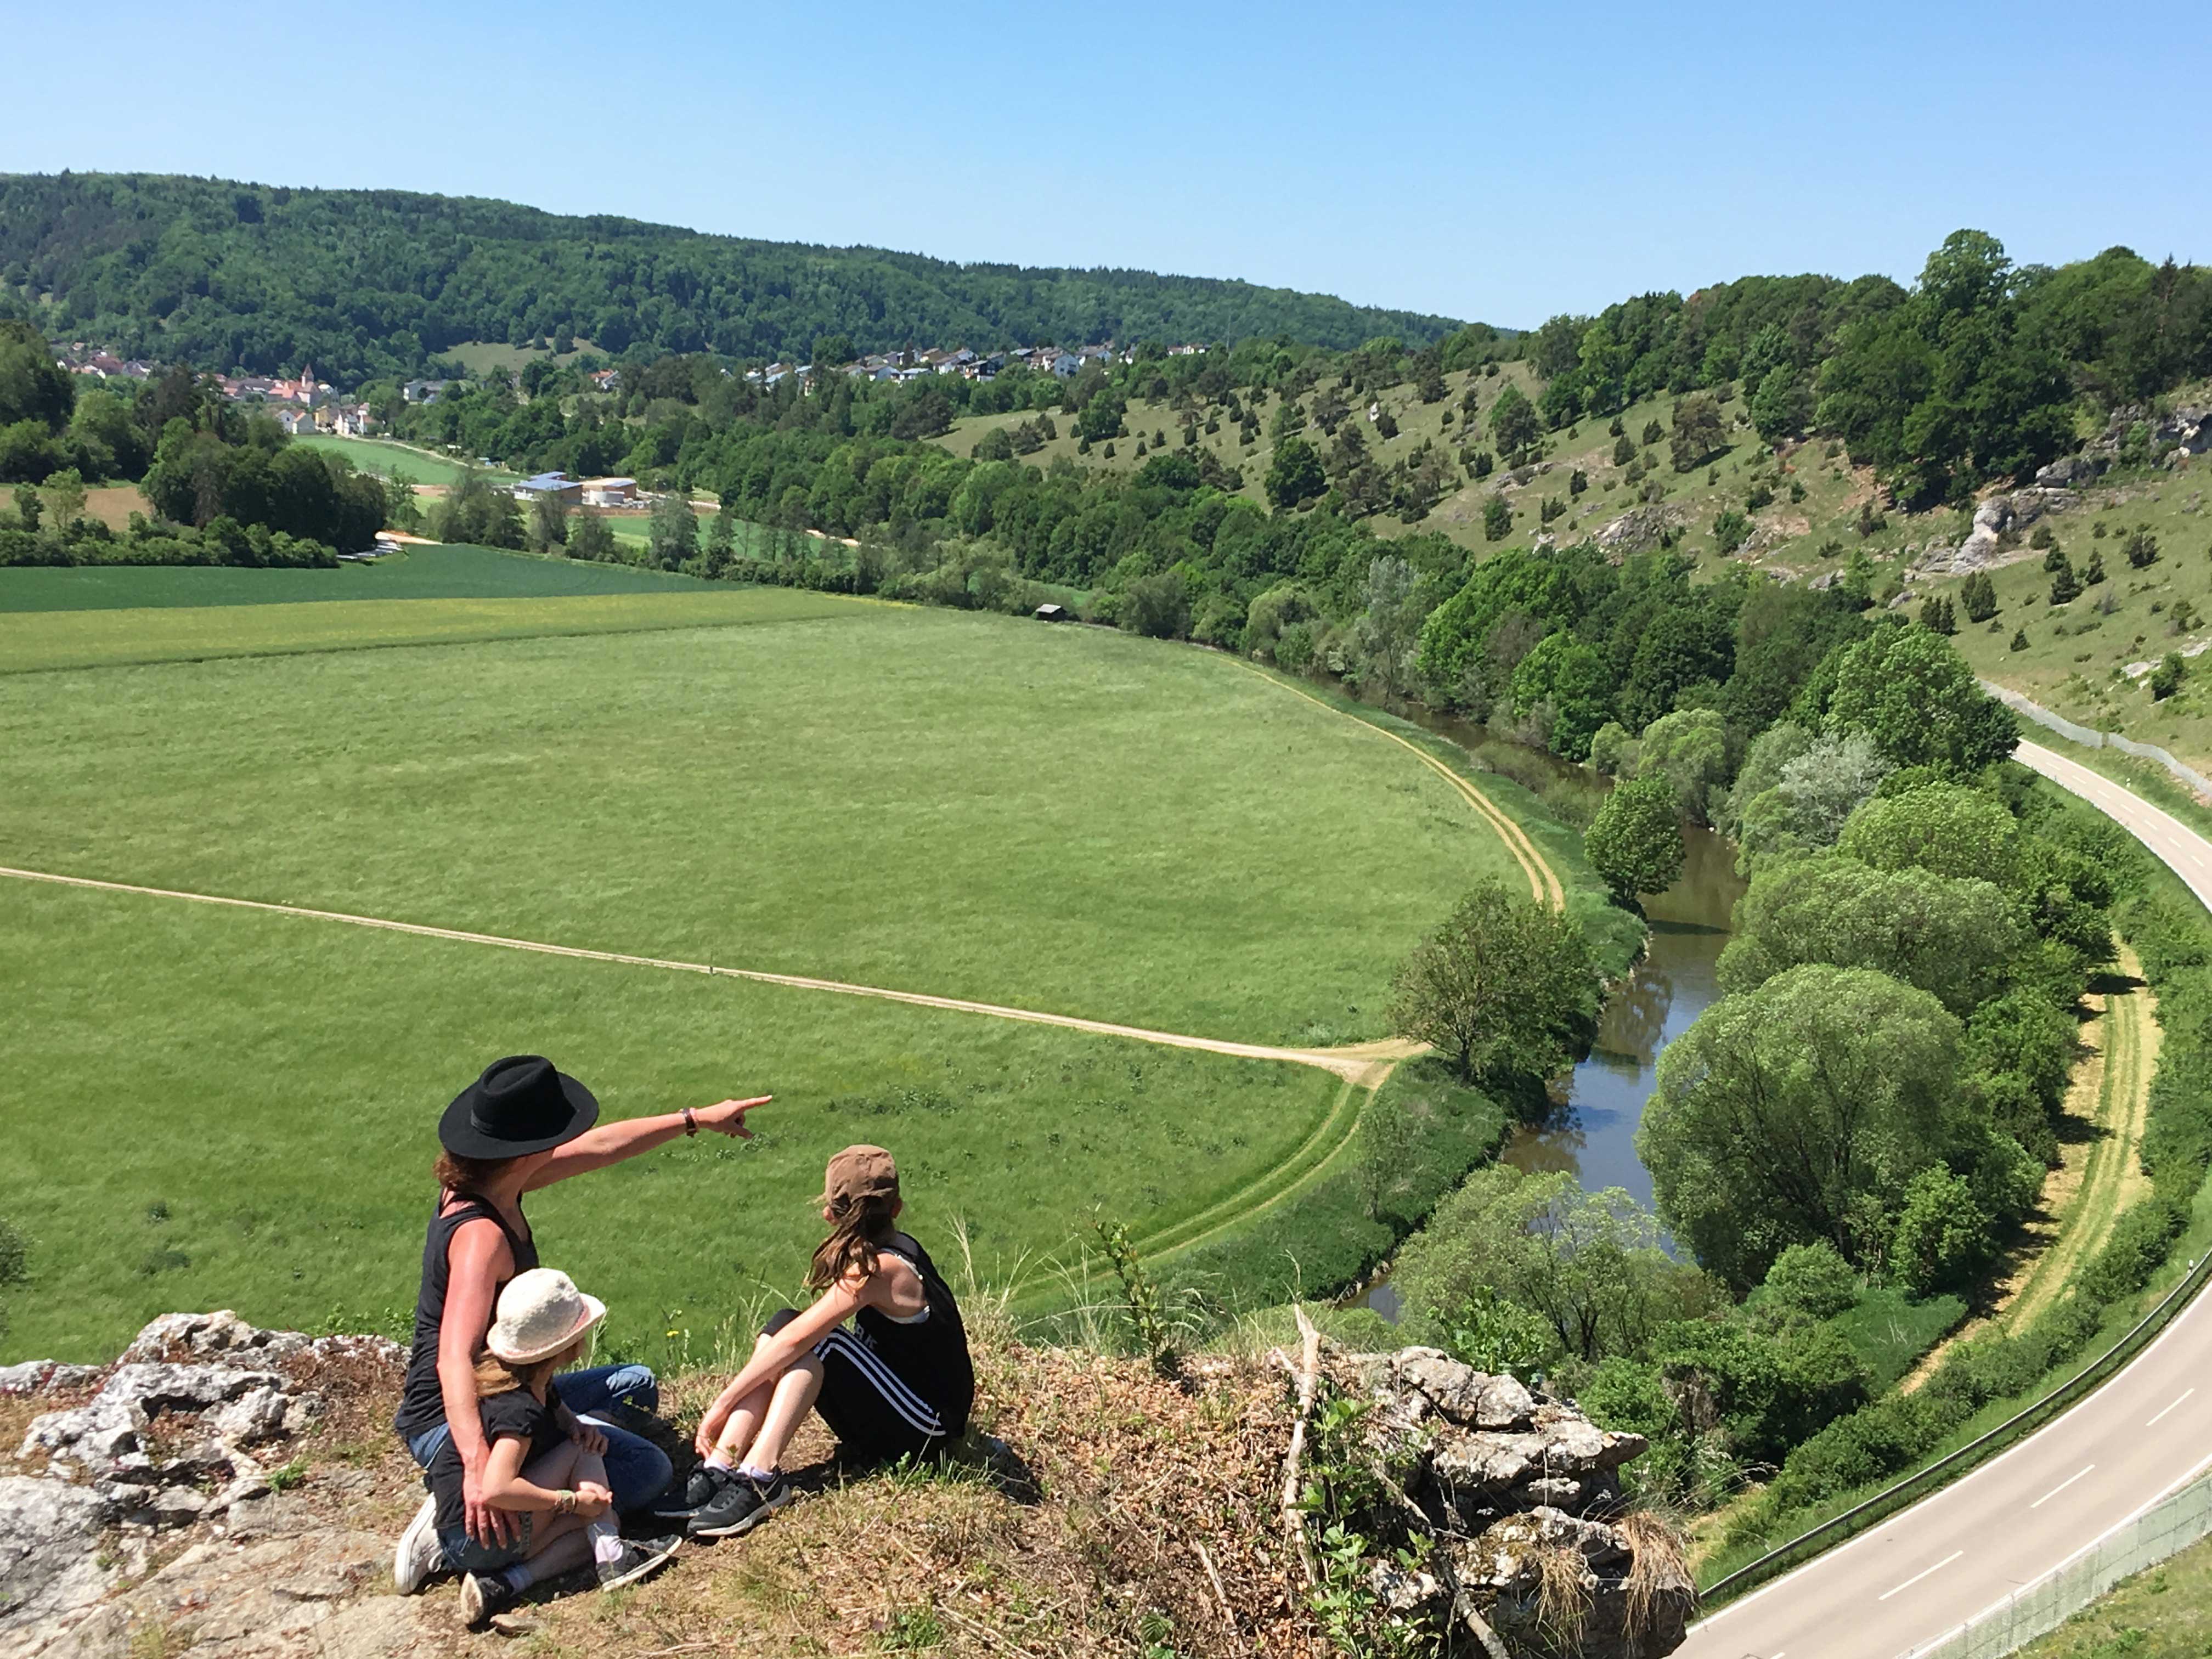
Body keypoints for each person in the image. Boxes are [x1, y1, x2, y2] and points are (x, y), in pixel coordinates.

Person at [392, 1054, 768, 1593]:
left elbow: (600, 1148)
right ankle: (456, 1517)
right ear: (530, 1150)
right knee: (647, 1473)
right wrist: (476, 1466)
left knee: (634, 1385)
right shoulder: (481, 1237)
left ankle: (527, 1466)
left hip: (507, 1387)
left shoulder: (496, 1182)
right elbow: (453, 1356)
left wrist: (695, 1118)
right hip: (451, 1419)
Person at [654, 1144, 975, 1539]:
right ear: (897, 1209)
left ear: (829, 1214)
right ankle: (720, 1464)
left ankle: (761, 1476)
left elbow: (799, 1341)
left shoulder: (880, 1270)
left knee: (816, 1342)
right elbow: (789, 1333)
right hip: (903, 1405)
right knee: (785, 1323)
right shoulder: (890, 1250)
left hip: (928, 1428)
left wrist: (722, 1402)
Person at [425, 1267, 684, 1628]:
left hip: (469, 1541)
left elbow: (554, 1405)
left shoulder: (523, 1376)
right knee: (585, 1464)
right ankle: (612, 1553)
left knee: (598, 1520)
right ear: (565, 1344)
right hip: (485, 1533)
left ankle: (505, 1583)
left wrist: (574, 1424)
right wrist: (571, 1501)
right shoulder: (520, 1409)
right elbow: (496, 1487)